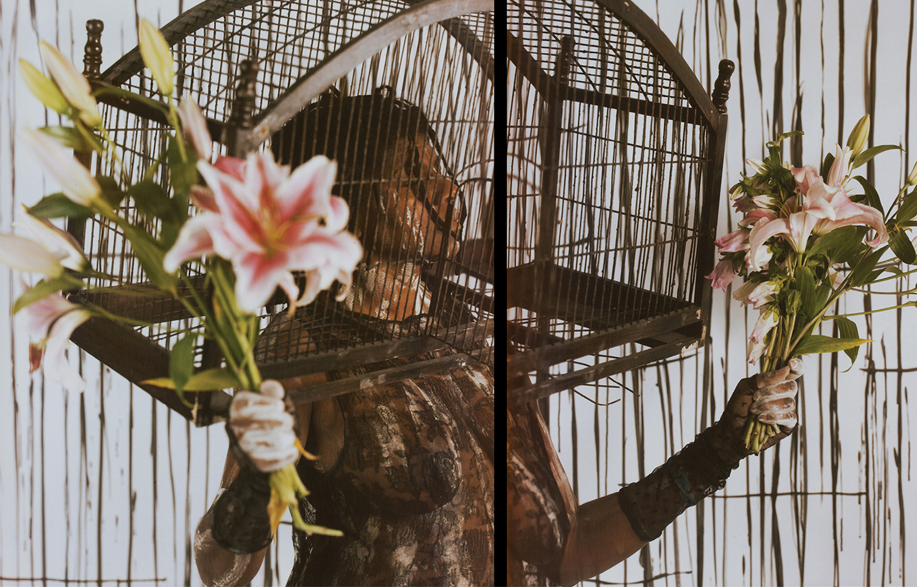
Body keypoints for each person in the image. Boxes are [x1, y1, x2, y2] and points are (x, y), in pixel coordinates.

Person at [193, 87, 494, 586]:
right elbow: (222, 570)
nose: (445, 188)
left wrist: (676, 480)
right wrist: (258, 474)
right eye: (412, 176)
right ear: (343, 205)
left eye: (438, 165)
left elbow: (557, 546)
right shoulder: (302, 349)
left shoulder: (470, 333)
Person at [507, 355, 803, 586]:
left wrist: (723, 447)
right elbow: (568, 550)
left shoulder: (488, 368)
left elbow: (571, 540)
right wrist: (720, 450)